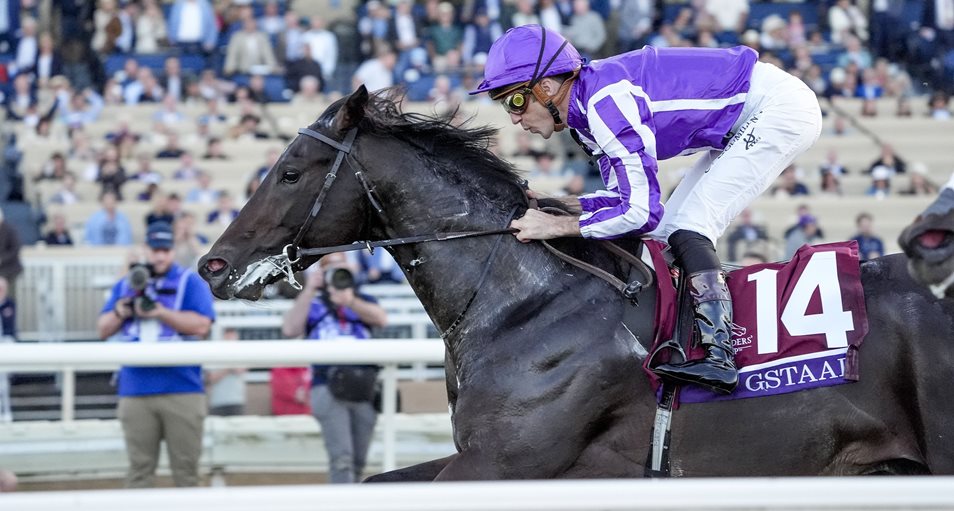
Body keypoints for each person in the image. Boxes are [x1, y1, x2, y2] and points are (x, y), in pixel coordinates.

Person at [470, 25, 822, 394]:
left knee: (689, 227)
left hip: (777, 109)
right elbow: (625, 201)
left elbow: (640, 214)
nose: (513, 118)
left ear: (545, 87)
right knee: (669, 233)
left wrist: (557, 227)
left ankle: (720, 354)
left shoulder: (604, 102)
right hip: (742, 117)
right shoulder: (585, 117)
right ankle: (686, 342)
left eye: (514, 102)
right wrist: (557, 205)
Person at [96, 221, 215, 488]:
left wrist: (161, 312)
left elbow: (202, 326)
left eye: (165, 249)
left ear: (172, 250)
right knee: (139, 474)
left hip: (182, 386)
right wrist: (120, 311)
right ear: (146, 250)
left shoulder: (189, 281)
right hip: (135, 388)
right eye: (155, 249)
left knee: (187, 474)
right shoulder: (127, 283)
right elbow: (102, 329)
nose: (160, 255)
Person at [281, 258, 388, 483]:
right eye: (332, 270)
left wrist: (350, 302)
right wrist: (310, 288)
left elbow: (381, 319)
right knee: (342, 458)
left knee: (358, 461)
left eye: (343, 268)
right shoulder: (314, 302)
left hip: (363, 385)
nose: (339, 274)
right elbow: (290, 329)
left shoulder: (362, 299)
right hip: (327, 384)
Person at [205, 328, 246, 416]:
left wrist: (225, 369)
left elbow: (240, 370)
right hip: (218, 402)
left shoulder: (241, 354)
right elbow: (211, 378)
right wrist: (229, 368)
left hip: (236, 401)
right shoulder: (215, 355)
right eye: (228, 339)